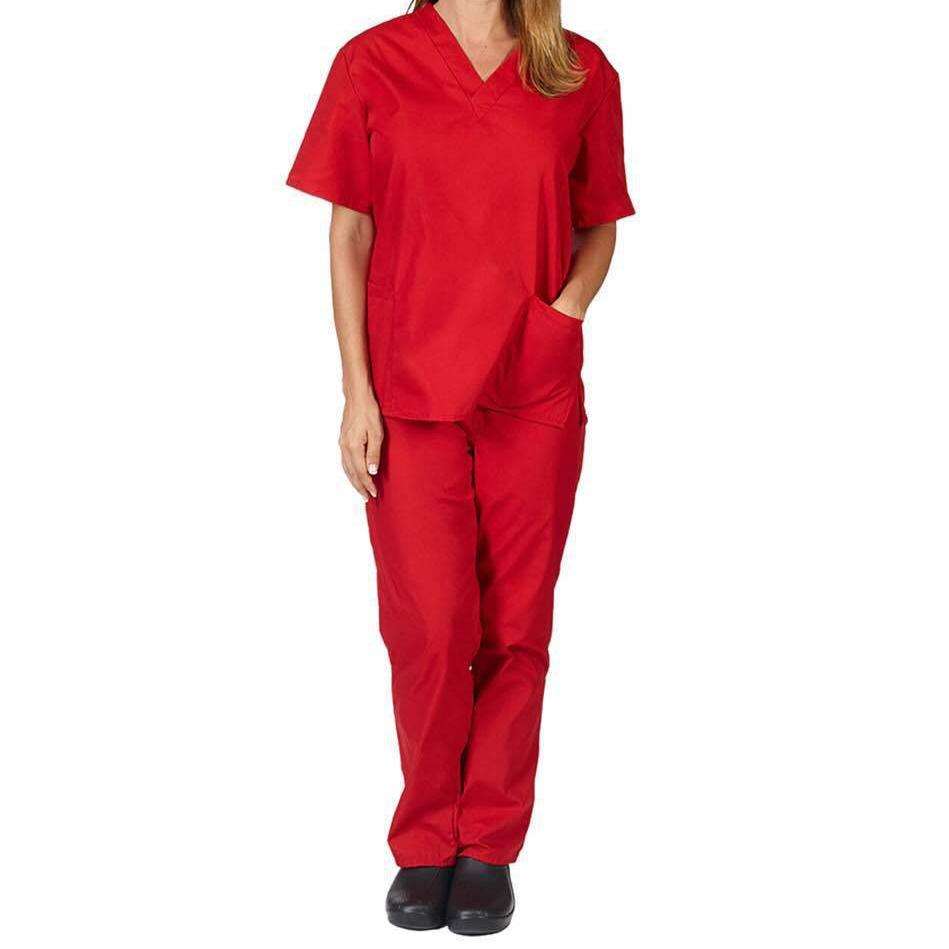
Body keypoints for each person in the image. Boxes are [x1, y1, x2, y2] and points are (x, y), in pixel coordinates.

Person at [287, 0, 633, 934]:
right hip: (409, 387)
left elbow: (600, 221)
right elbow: (349, 232)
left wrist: (563, 315)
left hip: (532, 388)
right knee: (431, 627)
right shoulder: (373, 62)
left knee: (516, 625)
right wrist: (355, 392)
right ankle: (425, 840)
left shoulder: (576, 69)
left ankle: (488, 843)